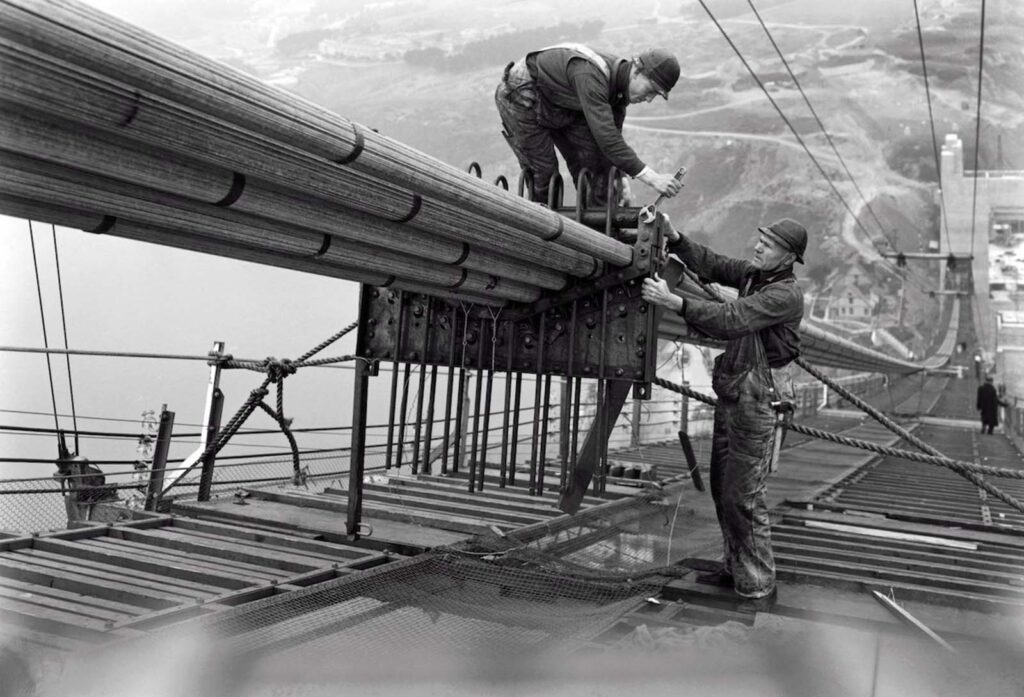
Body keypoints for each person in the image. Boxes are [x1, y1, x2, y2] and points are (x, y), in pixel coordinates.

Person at [642, 217, 808, 611]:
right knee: (722, 488)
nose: (759, 247)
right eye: (761, 238)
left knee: (743, 496)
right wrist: (676, 237)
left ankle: (757, 584)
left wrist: (674, 302)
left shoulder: (785, 295)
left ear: (789, 257)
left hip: (760, 398)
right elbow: (713, 263)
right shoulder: (755, 276)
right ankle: (735, 567)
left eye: (768, 244)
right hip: (736, 392)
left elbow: (732, 319)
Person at [495, 44, 684, 206]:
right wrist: (653, 178)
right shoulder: (590, 75)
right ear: (636, 71)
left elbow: (611, 142)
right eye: (650, 90)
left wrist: (620, 178)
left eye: (655, 95)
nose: (649, 99)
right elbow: (608, 138)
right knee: (544, 173)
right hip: (522, 97)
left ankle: (600, 230)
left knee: (598, 166)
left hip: (563, 103)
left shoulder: (618, 92)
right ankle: (541, 227)